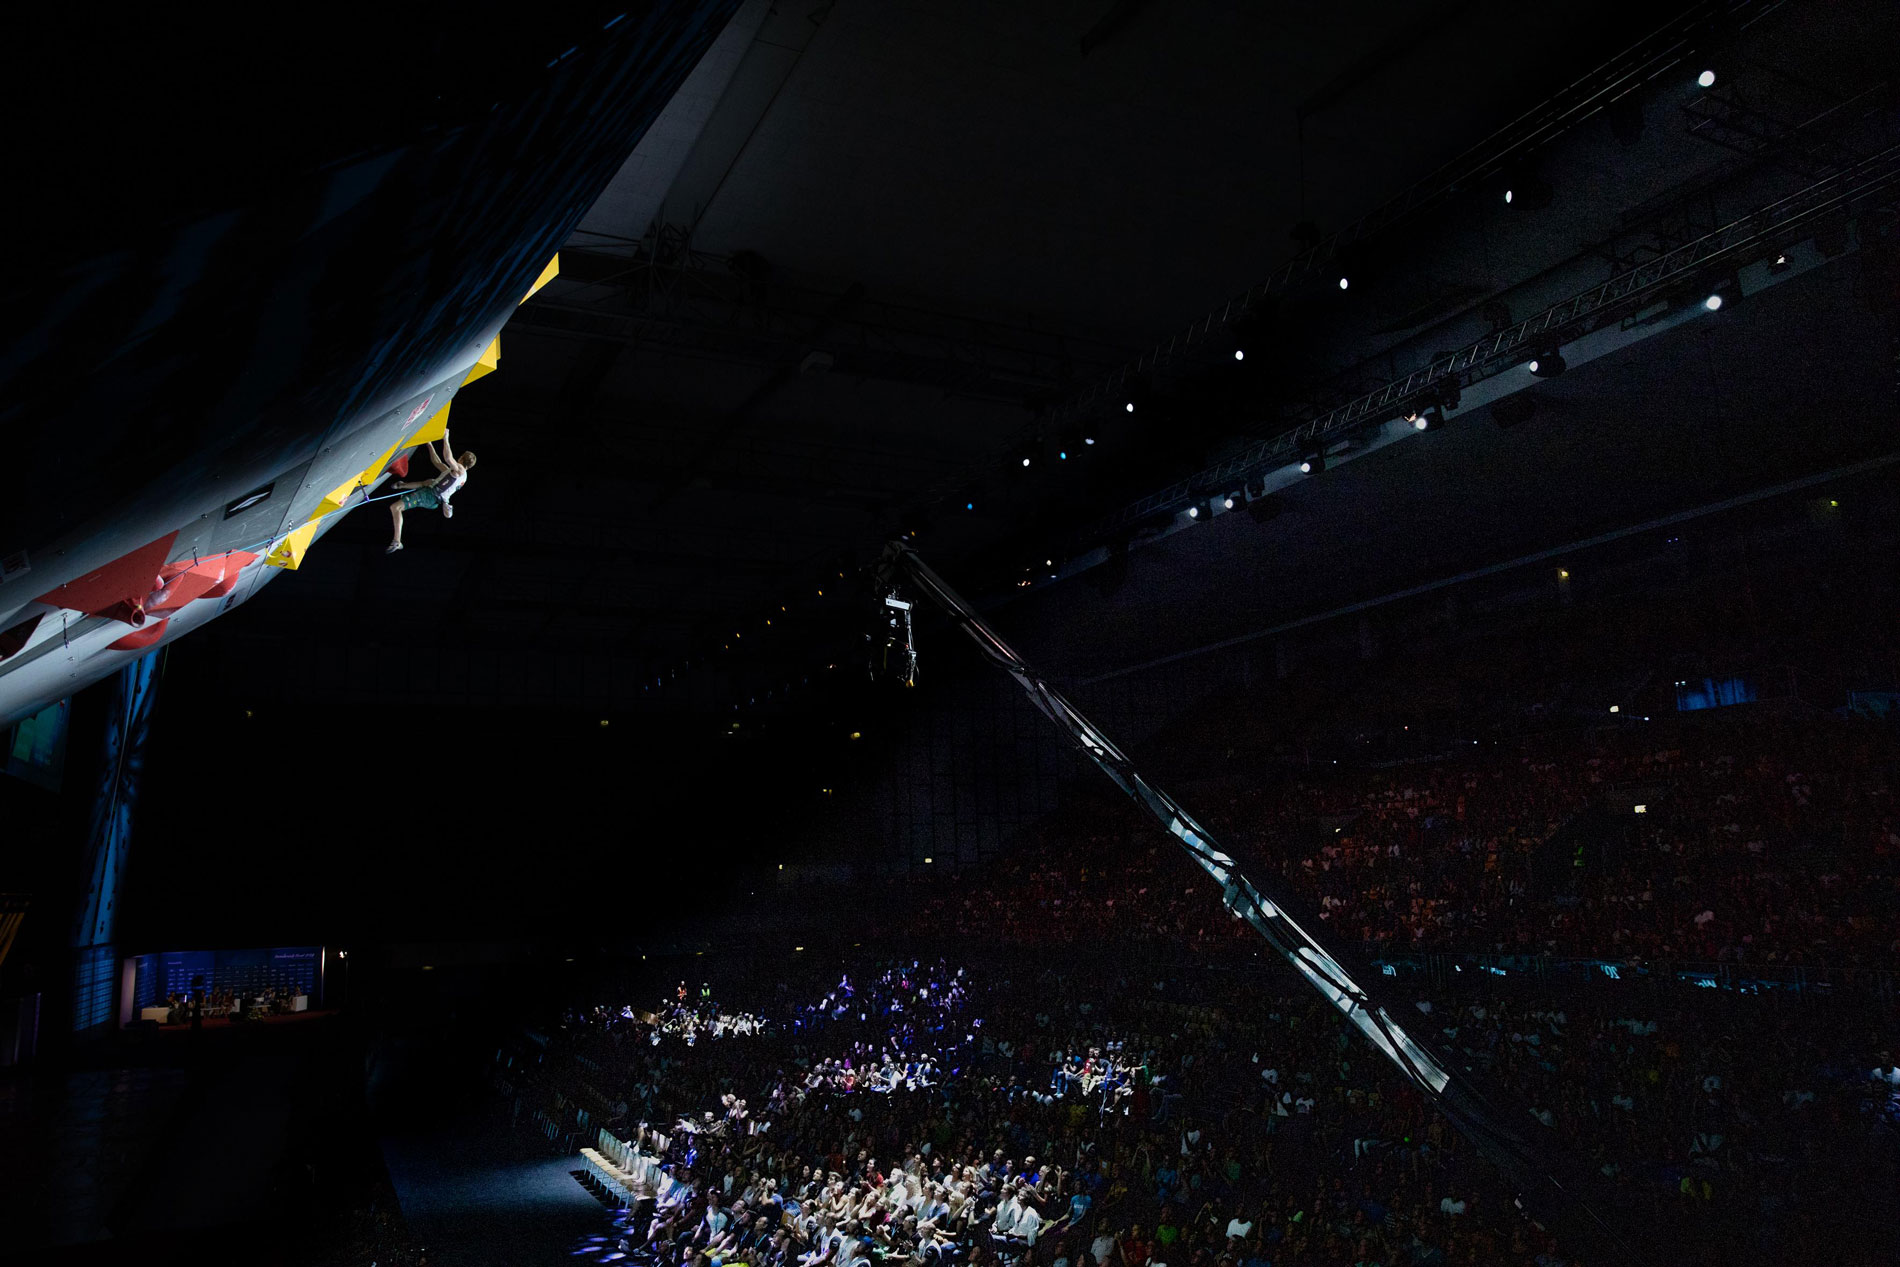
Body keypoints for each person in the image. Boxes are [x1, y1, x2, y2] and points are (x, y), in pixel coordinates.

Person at [385, 432, 476, 553]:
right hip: (433, 496)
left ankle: (397, 541)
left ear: (462, 459)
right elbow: (437, 462)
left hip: (431, 496)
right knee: (430, 482)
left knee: (395, 507)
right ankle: (401, 485)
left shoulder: (459, 471)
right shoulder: (459, 475)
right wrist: (429, 444)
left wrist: (446, 438)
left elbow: (448, 458)